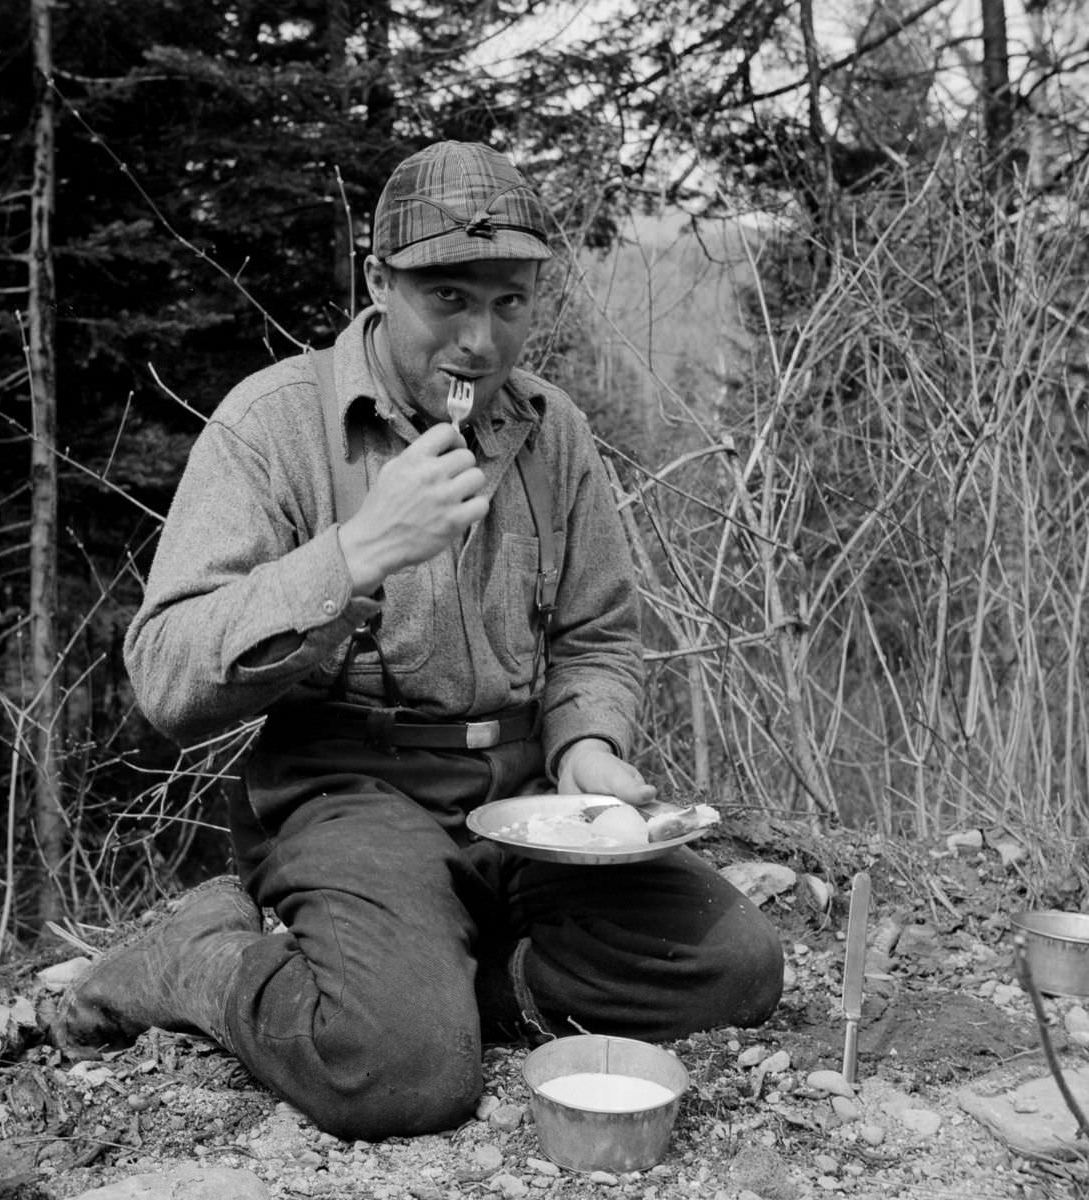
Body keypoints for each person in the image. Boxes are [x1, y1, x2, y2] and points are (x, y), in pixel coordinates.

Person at [52, 141, 783, 1141]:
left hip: (527, 807)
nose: (482, 341)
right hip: (353, 796)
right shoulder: (274, 424)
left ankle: (430, 976)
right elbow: (165, 676)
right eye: (448, 298)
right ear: (378, 281)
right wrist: (352, 552)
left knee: (734, 966)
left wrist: (588, 752)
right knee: (400, 1074)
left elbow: (599, 636)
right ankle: (197, 960)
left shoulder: (550, 430)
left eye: (511, 303)